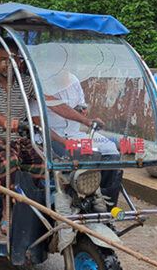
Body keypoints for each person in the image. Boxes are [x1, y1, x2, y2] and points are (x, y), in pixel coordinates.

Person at [0, 38, 44, 233]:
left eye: (15, 59)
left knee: (42, 160)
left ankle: (30, 206)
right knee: (10, 160)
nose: (10, 64)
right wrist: (6, 121)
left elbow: (48, 100)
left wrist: (83, 116)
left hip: (20, 140)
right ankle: (8, 209)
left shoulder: (26, 83)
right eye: (4, 60)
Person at [29, 71, 122, 210]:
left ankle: (105, 205)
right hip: (51, 137)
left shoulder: (74, 80)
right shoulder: (39, 83)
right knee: (73, 156)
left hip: (75, 134)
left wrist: (82, 112)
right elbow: (39, 123)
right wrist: (63, 141)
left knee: (111, 151)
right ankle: (69, 204)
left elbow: (81, 107)